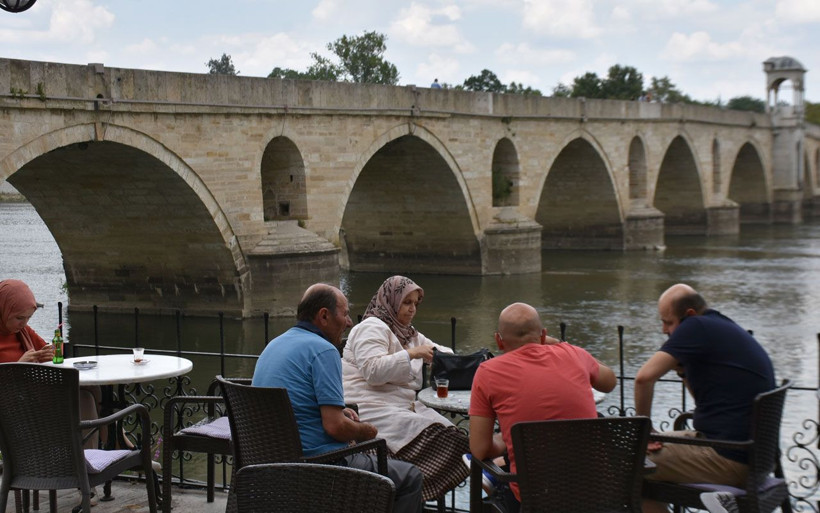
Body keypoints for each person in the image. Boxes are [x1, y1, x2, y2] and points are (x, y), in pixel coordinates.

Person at [252, 283, 424, 513]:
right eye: (344, 314)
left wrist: (340, 412)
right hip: (317, 465)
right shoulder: (323, 350)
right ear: (324, 315)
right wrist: (366, 431)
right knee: (410, 476)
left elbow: (292, 401)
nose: (350, 322)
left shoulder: (275, 344)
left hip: (269, 463)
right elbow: (335, 427)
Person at [635, 283, 775, 513]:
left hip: (729, 458)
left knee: (626, 462)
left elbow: (643, 379)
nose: (663, 330)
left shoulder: (695, 326)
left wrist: (645, 433)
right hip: (751, 455)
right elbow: (704, 401)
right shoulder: (720, 325)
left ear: (689, 314)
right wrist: (684, 371)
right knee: (642, 466)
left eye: (668, 322)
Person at [469, 302, 617, 512]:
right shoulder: (574, 354)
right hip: (596, 493)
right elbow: (610, 381)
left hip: (536, 498)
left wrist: (505, 440)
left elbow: (479, 449)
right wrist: (559, 344)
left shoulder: (488, 372)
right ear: (543, 335)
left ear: (498, 341)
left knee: (500, 489)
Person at [342, 275, 469, 501]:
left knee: (455, 435)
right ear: (391, 300)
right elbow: (373, 371)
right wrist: (412, 354)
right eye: (406, 302)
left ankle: (413, 492)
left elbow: (443, 353)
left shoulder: (408, 333)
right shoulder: (371, 327)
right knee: (440, 436)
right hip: (370, 407)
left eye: (415, 304)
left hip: (400, 406)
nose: (412, 309)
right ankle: (410, 491)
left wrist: (442, 357)